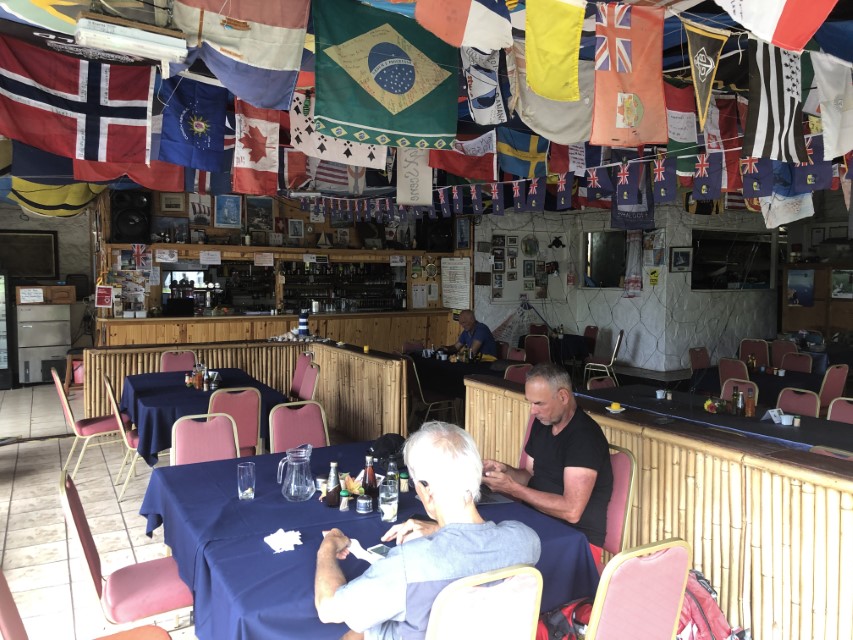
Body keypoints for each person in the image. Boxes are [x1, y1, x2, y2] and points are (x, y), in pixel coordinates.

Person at [314, 421, 541, 640]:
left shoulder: (408, 564)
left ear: (427, 490)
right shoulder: (525, 540)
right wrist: (437, 529)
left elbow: (328, 610)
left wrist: (327, 547)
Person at [482, 363, 612, 569]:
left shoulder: (584, 437)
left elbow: (571, 511)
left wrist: (514, 489)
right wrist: (505, 471)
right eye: (530, 403)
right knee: (483, 536)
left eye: (539, 403)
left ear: (563, 396)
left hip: (576, 539)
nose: (533, 411)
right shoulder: (543, 423)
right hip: (537, 520)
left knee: (498, 558)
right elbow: (529, 476)